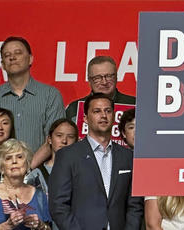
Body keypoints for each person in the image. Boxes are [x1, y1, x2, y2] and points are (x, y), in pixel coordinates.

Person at [48, 92, 142, 230]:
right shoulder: (67, 155)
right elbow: (58, 206)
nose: (103, 115)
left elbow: (135, 206)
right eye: (97, 111)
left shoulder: (127, 157)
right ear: (85, 118)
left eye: (108, 111)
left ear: (114, 116)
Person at [0, 38, 65, 159]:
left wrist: (28, 168)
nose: (12, 57)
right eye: (7, 55)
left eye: (18, 53)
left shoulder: (50, 95)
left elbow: (56, 140)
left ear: (30, 59)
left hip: (38, 173)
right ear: (2, 65)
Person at [0, 138, 51, 230]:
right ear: (1, 167)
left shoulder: (39, 195)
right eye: (8, 158)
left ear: (27, 164)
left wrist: (41, 225)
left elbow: (48, 227)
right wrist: (7, 226)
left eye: (20, 157)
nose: (14, 161)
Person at [63, 56, 136, 143]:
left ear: (116, 77)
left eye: (109, 76)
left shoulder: (135, 105)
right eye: (97, 78)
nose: (104, 82)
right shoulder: (75, 108)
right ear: (89, 80)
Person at [24, 119, 78, 205]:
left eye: (70, 136)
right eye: (59, 135)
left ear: (76, 142)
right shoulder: (36, 175)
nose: (64, 141)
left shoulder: (82, 172)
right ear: (49, 139)